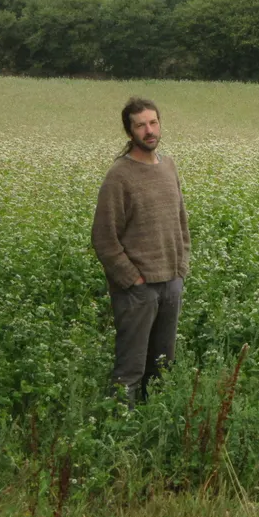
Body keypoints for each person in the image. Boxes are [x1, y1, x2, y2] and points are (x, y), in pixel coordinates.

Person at [92, 97, 190, 406]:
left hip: (171, 283)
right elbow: (104, 238)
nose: (149, 131)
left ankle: (153, 426)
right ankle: (120, 433)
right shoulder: (119, 176)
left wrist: (181, 267)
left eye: (153, 122)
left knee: (162, 366)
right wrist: (133, 280)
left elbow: (181, 221)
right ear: (129, 131)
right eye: (140, 125)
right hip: (138, 290)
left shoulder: (169, 166)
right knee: (130, 369)